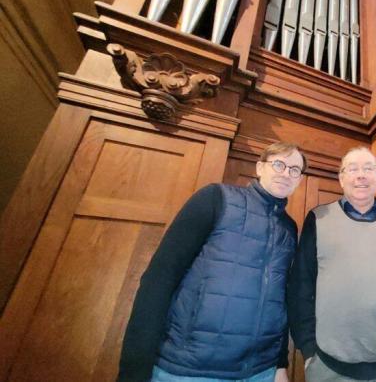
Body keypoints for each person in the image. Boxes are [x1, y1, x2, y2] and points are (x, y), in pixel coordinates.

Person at [118, 142, 307, 382]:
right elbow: (160, 277)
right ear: (260, 167)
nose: (286, 173)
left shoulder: (289, 228)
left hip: (260, 371)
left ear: (299, 180)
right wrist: (134, 370)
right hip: (189, 370)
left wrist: (280, 364)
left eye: (294, 170)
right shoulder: (216, 198)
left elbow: (278, 299)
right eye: (279, 164)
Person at [287, 147, 376, 382]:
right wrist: (309, 350)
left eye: (368, 169)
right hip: (328, 369)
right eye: (352, 169)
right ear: (341, 179)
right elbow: (300, 288)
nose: (360, 175)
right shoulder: (319, 219)